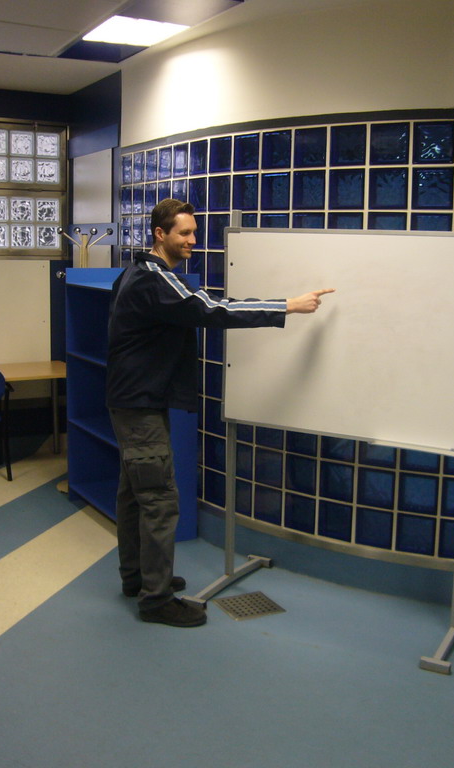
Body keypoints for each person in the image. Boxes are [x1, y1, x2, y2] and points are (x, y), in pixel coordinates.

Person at [106, 198, 334, 628]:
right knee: (158, 499)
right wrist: (286, 305)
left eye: (194, 232)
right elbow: (211, 310)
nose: (194, 240)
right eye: (184, 233)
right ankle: (155, 600)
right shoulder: (155, 279)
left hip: (132, 400)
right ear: (161, 235)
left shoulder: (137, 273)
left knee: (135, 494)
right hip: (138, 405)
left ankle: (137, 578)